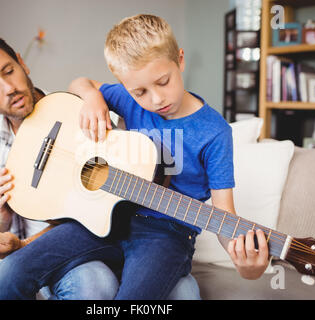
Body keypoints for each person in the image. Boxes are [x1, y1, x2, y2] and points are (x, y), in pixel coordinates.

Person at [0, 35, 200, 300]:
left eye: (8, 71)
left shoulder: (78, 107)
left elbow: (133, 173)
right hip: (56, 251)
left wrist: (91, 96)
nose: (8, 88)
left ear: (21, 63)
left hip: (114, 234)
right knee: (93, 283)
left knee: (186, 291)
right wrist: (3, 220)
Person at [68, 14, 270, 298]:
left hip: (169, 233)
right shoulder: (128, 99)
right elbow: (81, 82)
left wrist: (248, 266)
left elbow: (224, 212)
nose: (156, 99)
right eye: (140, 91)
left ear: (180, 59)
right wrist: (91, 97)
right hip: (116, 216)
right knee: (13, 272)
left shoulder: (215, 131)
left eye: (163, 81)